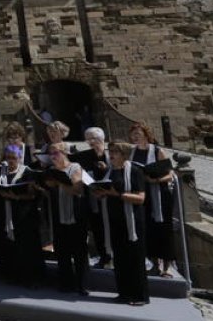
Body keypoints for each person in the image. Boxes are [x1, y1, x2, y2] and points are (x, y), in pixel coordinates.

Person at [93, 142, 148, 306]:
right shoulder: (109, 171)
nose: (111, 154)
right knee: (120, 259)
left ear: (124, 154)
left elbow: (141, 198)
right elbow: (106, 193)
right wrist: (101, 193)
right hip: (114, 220)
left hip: (132, 222)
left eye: (115, 152)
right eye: (111, 151)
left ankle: (139, 295)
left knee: (135, 259)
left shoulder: (135, 171)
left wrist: (117, 194)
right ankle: (123, 293)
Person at [129, 122, 176, 278]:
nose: (135, 137)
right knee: (148, 230)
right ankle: (155, 264)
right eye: (133, 134)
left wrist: (154, 180)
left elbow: (170, 175)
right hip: (143, 195)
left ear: (145, 135)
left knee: (163, 229)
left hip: (159, 195)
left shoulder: (157, 151)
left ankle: (167, 266)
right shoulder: (131, 153)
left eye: (138, 134)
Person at [0, 144, 42, 287]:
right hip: (6, 215)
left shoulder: (28, 172)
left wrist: (16, 197)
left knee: (26, 247)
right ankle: (12, 275)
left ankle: (30, 278)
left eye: (14, 158)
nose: (11, 160)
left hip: (24, 216)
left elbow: (33, 195)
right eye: (8, 158)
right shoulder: (1, 172)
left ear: (20, 158)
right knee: (9, 246)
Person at [43, 142, 89, 295]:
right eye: (51, 153)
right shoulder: (51, 170)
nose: (52, 156)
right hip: (59, 215)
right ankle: (66, 283)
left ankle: (82, 284)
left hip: (75, 216)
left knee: (79, 251)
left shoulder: (75, 167)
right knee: (62, 251)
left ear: (64, 153)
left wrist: (59, 183)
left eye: (55, 153)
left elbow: (78, 189)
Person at [75, 127, 112, 268]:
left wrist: (106, 168)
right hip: (92, 198)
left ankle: (113, 256)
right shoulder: (85, 156)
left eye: (93, 139)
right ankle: (104, 257)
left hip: (109, 199)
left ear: (101, 140)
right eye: (88, 139)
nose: (90, 142)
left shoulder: (109, 154)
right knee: (97, 228)